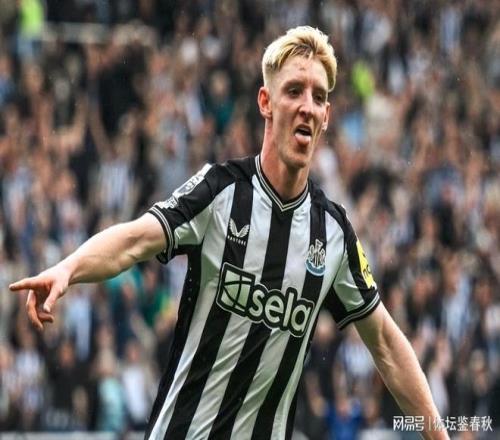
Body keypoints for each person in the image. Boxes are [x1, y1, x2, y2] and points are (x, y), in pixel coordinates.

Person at [9, 26, 448, 440]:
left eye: (318, 97)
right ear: (266, 102)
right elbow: (135, 240)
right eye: (294, 90)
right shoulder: (220, 192)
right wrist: (68, 269)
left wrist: (438, 434)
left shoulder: (333, 233)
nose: (307, 106)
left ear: (326, 116)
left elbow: (385, 342)